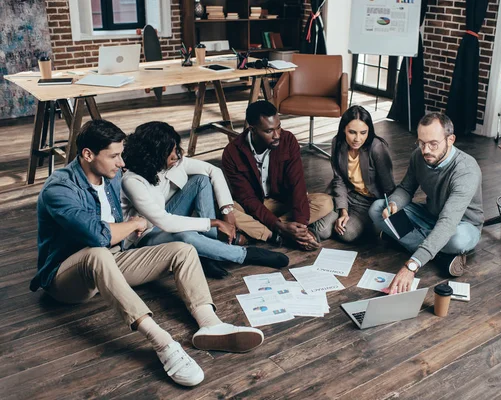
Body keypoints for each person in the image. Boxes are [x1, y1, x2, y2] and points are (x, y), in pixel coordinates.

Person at [30, 120, 264, 387]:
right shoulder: (59, 188)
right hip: (67, 279)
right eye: (115, 156)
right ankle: (163, 343)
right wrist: (134, 223)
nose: (121, 163)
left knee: (183, 250)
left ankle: (210, 323)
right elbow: (97, 236)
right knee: (97, 252)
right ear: (87, 154)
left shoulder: (112, 175)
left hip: (114, 258)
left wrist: (139, 221)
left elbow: (140, 202)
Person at [120, 121, 289, 279]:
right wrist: (214, 222)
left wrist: (226, 210)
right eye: (169, 151)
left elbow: (213, 170)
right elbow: (165, 222)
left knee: (201, 179)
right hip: (145, 235)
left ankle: (208, 250)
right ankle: (244, 255)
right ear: (153, 155)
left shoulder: (172, 161)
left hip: (168, 214)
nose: (176, 155)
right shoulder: (132, 181)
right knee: (185, 236)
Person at [368, 112, 483, 294]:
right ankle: (439, 257)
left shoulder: (466, 170)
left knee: (456, 239)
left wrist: (412, 265)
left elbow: (447, 222)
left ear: (451, 139)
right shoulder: (418, 156)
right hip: (429, 215)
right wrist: (394, 204)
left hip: (461, 225)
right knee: (378, 208)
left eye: (433, 144)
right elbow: (406, 189)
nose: (426, 150)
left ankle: (415, 244)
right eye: (421, 142)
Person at [222, 100, 334, 250]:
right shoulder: (232, 153)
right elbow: (247, 199)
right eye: (269, 131)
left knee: (325, 202)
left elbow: (297, 184)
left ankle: (267, 232)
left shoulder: (288, 140)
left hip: (282, 201)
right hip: (254, 205)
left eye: (279, 127)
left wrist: (300, 224)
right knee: (227, 211)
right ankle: (278, 236)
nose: (277, 135)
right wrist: (280, 227)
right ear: (252, 130)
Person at [312, 105, 395, 242]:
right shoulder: (337, 143)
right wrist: (343, 210)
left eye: (363, 132)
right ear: (344, 129)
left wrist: (388, 213)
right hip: (347, 194)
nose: (357, 139)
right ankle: (340, 214)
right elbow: (339, 180)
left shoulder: (377, 148)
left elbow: (389, 187)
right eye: (352, 132)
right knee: (321, 231)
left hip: (368, 202)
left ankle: (359, 222)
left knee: (347, 233)